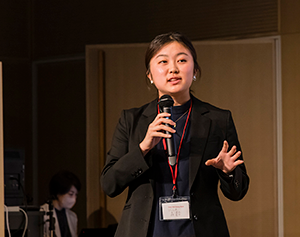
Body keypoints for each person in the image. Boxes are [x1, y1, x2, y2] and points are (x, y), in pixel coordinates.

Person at [100, 32, 249, 237]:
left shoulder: (217, 119)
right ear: (150, 75)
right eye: (163, 61)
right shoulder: (131, 120)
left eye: (181, 60)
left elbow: (238, 191)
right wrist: (143, 148)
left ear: (194, 70)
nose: (173, 68)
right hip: (146, 231)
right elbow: (109, 184)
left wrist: (227, 172)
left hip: (199, 231)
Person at [41, 170, 81, 237]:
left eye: (76, 195)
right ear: (58, 193)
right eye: (71, 194)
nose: (74, 199)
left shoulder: (73, 216)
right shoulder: (42, 214)